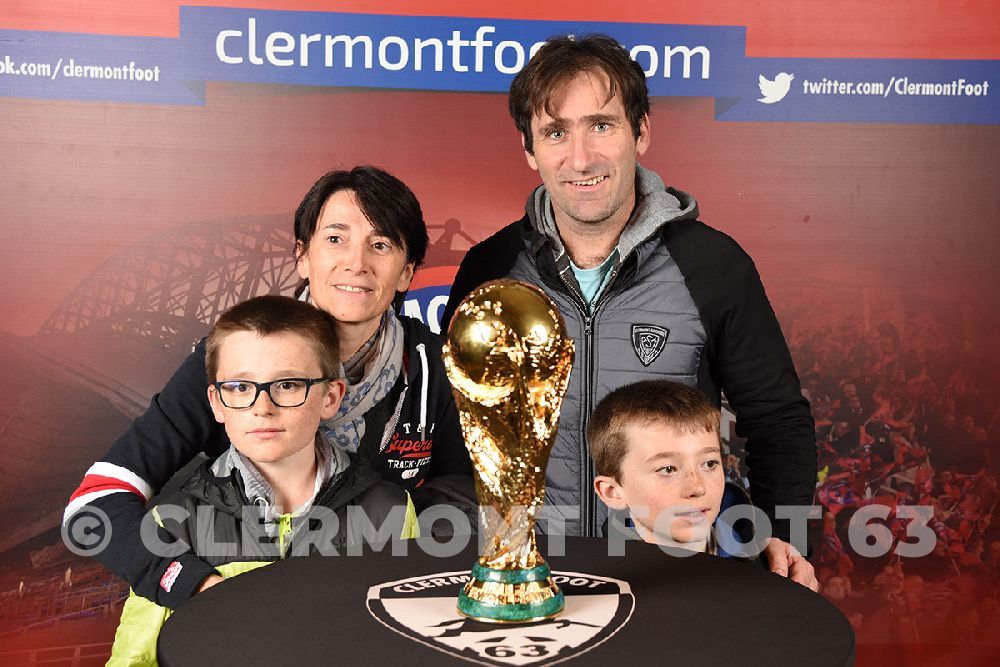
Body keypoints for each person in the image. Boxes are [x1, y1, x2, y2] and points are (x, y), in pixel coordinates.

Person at [442, 35, 816, 579]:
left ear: (640, 133)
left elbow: (776, 420)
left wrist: (784, 539)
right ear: (529, 151)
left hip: (672, 574)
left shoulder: (713, 265)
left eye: (601, 125)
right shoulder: (489, 268)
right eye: (555, 132)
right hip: (533, 576)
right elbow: (464, 430)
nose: (581, 158)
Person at [65, 166, 473, 609]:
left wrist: (399, 565)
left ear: (406, 273)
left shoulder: (437, 364)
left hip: (372, 607)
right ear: (302, 256)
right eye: (335, 239)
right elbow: (93, 504)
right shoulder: (234, 359)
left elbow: (463, 491)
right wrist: (193, 584)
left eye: (380, 245)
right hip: (249, 605)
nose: (356, 263)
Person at [108, 295, 417, 665]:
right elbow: (134, 660)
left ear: (330, 397)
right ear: (216, 403)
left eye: (287, 385)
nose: (262, 406)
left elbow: (406, 644)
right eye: (239, 387)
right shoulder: (174, 524)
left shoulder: (390, 509)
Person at [588, 379, 817, 591]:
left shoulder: (770, 576)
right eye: (667, 469)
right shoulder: (598, 583)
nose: (697, 487)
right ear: (612, 492)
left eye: (708, 463)